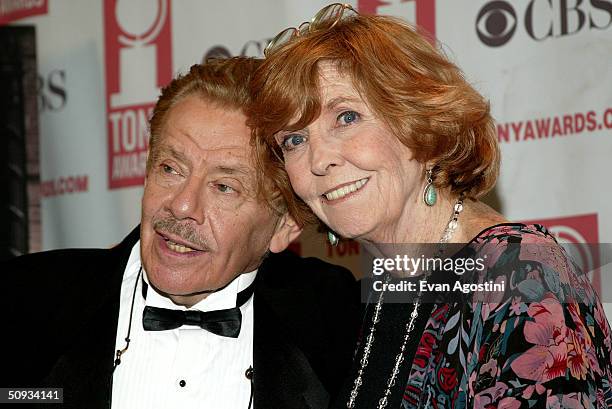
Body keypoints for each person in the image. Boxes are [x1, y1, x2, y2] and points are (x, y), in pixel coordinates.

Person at [249, 4, 612, 408]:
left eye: (346, 117)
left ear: (419, 123)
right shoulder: (386, 286)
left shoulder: (520, 276)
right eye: (294, 140)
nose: (319, 160)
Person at [1, 57, 360, 409]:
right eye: (171, 168)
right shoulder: (24, 299)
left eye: (224, 187)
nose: (182, 205)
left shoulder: (340, 321)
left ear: (284, 226)